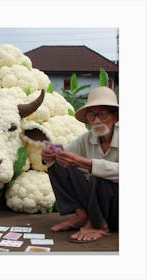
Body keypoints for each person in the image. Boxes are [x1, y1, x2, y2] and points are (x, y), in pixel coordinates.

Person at [42, 86, 119, 243]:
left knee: (100, 175)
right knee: (58, 163)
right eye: (92, 115)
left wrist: (88, 164)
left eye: (103, 114)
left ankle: (98, 225)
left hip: (118, 208)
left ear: (115, 117)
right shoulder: (86, 138)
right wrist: (50, 156)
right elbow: (65, 154)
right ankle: (81, 215)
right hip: (95, 204)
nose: (97, 120)